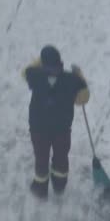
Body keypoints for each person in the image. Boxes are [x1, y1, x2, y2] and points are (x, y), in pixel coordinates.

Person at [21, 45, 90, 199]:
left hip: (38, 128)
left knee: (41, 157)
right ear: (60, 62)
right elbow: (83, 99)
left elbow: (25, 72)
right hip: (62, 128)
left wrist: (38, 63)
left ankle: (40, 188)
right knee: (60, 156)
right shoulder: (72, 80)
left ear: (42, 63)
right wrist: (80, 77)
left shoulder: (35, 76)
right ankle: (59, 185)